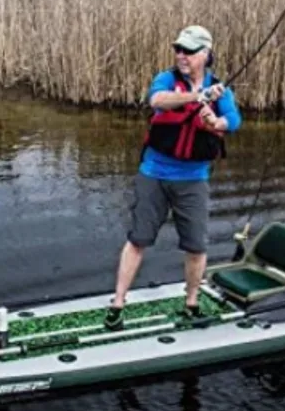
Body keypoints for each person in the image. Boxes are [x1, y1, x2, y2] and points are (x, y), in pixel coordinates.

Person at [104, 25, 242, 330]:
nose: (181, 56)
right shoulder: (167, 79)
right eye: (178, 49)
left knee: (196, 246)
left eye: (189, 51)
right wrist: (197, 96)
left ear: (205, 54)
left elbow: (233, 120)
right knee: (138, 240)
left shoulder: (221, 90)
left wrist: (217, 120)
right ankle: (117, 303)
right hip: (154, 174)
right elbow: (157, 100)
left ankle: (191, 303)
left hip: (193, 179)